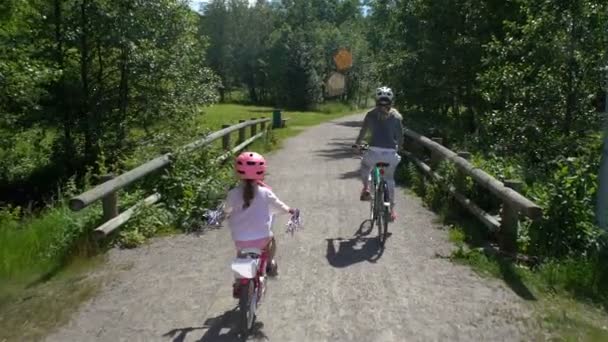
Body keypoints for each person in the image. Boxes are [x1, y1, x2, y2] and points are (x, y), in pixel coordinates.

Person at [224, 151, 294, 279]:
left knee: (241, 253)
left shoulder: (233, 193)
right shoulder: (265, 192)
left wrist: (228, 214)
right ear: (262, 172)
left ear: (238, 172)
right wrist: (290, 210)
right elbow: (279, 206)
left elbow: (227, 210)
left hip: (240, 239)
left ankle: (240, 281)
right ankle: (269, 264)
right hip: (262, 238)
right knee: (271, 241)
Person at [354, 86, 404, 221]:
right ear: (391, 100)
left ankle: (366, 188)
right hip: (390, 154)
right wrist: (399, 148)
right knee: (389, 179)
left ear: (377, 100)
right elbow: (400, 137)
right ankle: (392, 211)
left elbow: (362, 133)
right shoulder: (397, 116)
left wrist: (357, 145)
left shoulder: (370, 115)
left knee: (365, 166)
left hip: (374, 152)